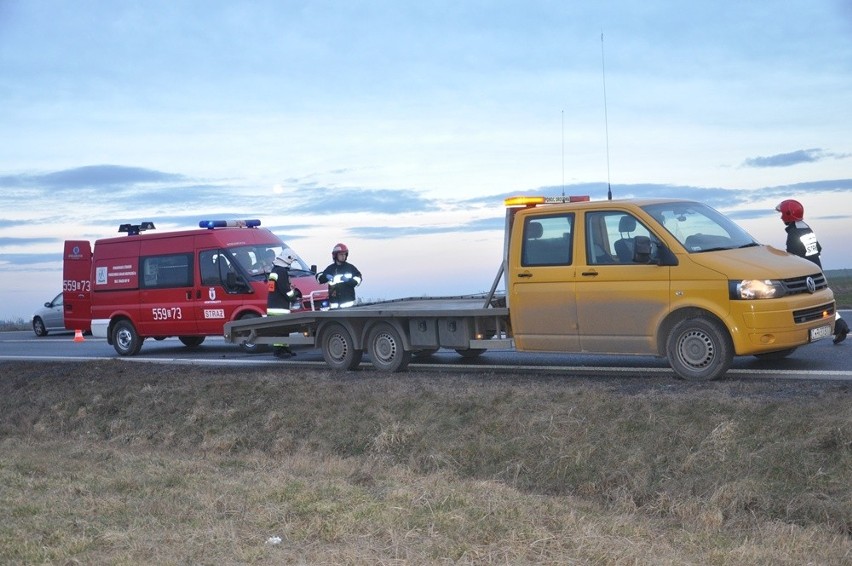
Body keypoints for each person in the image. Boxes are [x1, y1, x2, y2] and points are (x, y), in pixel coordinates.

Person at [775, 199, 847, 344]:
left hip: (805, 274)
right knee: (821, 302)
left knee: (805, 304)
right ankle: (839, 325)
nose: (781, 217)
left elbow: (792, 257)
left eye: (783, 213)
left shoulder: (794, 233)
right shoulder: (806, 228)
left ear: (789, 214)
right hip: (816, 270)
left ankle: (834, 326)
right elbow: (818, 248)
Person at [267, 249, 301, 358]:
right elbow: (285, 290)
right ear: (288, 259)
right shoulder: (281, 271)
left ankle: (284, 349)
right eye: (292, 261)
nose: (291, 264)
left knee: (282, 329)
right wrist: (294, 297)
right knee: (280, 330)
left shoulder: (275, 270)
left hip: (275, 305)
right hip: (279, 307)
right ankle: (279, 351)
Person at [316, 242, 362, 309]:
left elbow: (358, 279)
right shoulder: (330, 269)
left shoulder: (350, 268)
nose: (343, 256)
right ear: (335, 255)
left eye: (344, 254)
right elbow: (319, 278)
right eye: (341, 254)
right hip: (334, 305)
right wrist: (325, 277)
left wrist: (349, 280)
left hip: (349, 306)